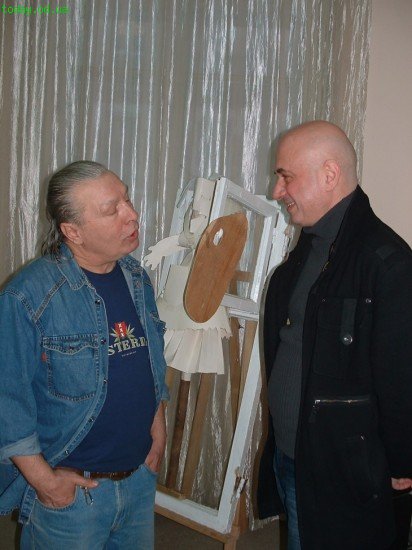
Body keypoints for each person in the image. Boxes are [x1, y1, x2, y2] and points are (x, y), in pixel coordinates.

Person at [257, 121, 412, 549]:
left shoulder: (387, 263)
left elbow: (401, 376)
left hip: (342, 474)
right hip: (291, 455)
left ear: (329, 175)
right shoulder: (309, 248)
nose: (276, 190)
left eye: (285, 176)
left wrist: (403, 460)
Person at [0, 161, 169, 549]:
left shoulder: (136, 277)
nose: (132, 214)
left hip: (138, 479)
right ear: (72, 231)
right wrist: (45, 482)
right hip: (73, 494)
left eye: (127, 199)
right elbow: (7, 399)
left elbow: (149, 360)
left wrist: (157, 426)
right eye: (112, 210)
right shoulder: (28, 296)